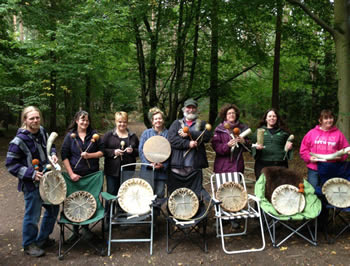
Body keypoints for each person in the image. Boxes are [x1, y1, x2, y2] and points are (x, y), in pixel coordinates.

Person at [6, 106, 59, 257]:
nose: (35, 121)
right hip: (31, 184)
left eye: (37, 118)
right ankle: (29, 244)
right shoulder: (18, 141)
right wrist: (31, 174)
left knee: (53, 209)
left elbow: (51, 145)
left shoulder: (42, 131)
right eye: (32, 118)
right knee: (33, 215)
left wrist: (53, 154)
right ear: (25, 120)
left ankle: (42, 239)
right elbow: (10, 164)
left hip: (47, 181)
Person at [61, 110, 103, 242]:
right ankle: (75, 230)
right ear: (77, 121)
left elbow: (102, 152)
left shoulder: (94, 135)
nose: (84, 122)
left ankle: (85, 228)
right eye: (82, 119)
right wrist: (71, 173)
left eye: (87, 120)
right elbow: (64, 155)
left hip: (92, 177)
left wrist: (89, 155)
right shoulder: (70, 136)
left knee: (89, 201)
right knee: (75, 202)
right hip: (75, 176)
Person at [168, 98, 212, 200]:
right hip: (177, 166)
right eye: (188, 107)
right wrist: (188, 144)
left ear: (196, 109)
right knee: (176, 193)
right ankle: (177, 213)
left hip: (195, 166)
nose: (190, 110)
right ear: (184, 109)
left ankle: (196, 214)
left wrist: (190, 133)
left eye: (193, 107)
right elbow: (172, 140)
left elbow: (207, 136)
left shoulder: (201, 124)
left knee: (195, 194)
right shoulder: (176, 123)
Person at [300, 109, 349, 189]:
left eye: (331, 118)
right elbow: (303, 149)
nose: (329, 120)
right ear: (320, 120)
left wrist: (340, 158)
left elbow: (345, 150)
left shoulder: (338, 134)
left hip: (331, 168)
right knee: (313, 191)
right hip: (314, 168)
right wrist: (309, 158)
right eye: (326, 118)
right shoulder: (311, 133)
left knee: (329, 191)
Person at [102, 111, 139, 200]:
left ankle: (122, 213)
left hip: (128, 170)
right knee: (111, 193)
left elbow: (138, 151)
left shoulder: (132, 136)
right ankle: (109, 213)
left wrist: (132, 151)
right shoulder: (109, 135)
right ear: (115, 122)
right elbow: (102, 150)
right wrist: (113, 152)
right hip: (112, 170)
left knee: (125, 194)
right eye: (120, 122)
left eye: (124, 122)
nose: (122, 124)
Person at [252, 108, 293, 179]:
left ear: (277, 118)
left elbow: (288, 149)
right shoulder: (259, 132)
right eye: (270, 116)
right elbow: (252, 146)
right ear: (266, 119)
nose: (272, 118)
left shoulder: (284, 133)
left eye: (274, 116)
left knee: (279, 187)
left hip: (280, 164)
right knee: (263, 186)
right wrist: (256, 148)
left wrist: (289, 148)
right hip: (262, 164)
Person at [139, 107, 169, 198]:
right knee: (146, 195)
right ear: (152, 121)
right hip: (147, 171)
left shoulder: (168, 134)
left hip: (161, 173)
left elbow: (171, 152)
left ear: (163, 120)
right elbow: (141, 151)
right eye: (155, 119)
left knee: (159, 195)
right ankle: (147, 213)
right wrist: (148, 163)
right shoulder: (146, 134)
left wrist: (163, 165)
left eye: (160, 118)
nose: (158, 121)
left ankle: (156, 212)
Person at [212, 104, 250, 174]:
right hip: (222, 167)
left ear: (236, 115)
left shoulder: (242, 128)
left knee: (236, 185)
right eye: (229, 113)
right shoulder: (219, 129)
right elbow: (216, 147)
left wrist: (243, 141)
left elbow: (249, 146)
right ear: (225, 116)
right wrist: (227, 145)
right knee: (223, 185)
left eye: (233, 113)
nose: (231, 115)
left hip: (237, 166)